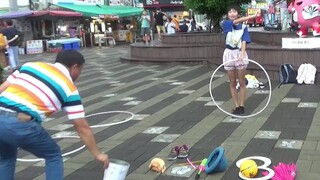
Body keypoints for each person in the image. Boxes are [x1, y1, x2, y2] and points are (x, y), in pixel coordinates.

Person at [0, 50, 109, 180]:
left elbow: (2, 88)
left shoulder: (29, 66)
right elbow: (82, 127)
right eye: (81, 69)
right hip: (20, 124)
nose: (79, 74)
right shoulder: (70, 89)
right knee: (53, 155)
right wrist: (97, 154)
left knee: (6, 158)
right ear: (75, 67)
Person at [222, 5, 258, 115]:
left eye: (234, 12)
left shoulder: (243, 27)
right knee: (232, 82)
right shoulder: (226, 23)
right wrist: (252, 16)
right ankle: (236, 106)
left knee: (242, 82)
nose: (232, 14)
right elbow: (237, 21)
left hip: (239, 54)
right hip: (229, 54)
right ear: (228, 14)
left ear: (238, 13)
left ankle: (242, 105)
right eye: (230, 12)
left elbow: (243, 41)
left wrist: (242, 54)